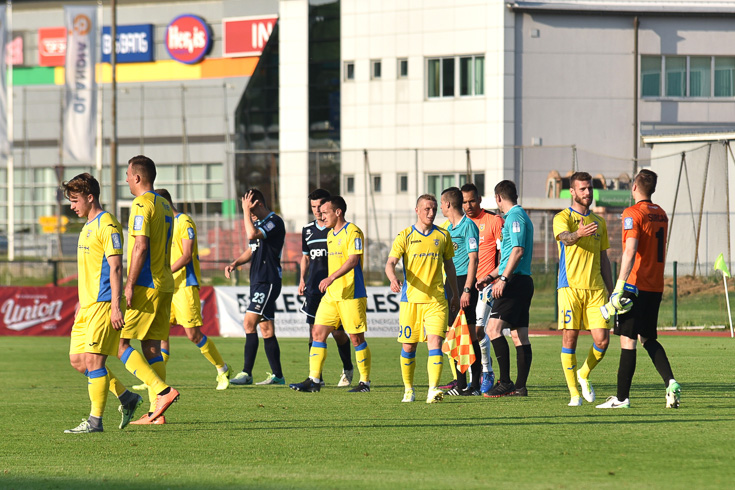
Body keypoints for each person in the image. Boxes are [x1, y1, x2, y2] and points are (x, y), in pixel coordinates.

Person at [62, 173, 144, 433]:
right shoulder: (87, 226)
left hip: (103, 303)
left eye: (75, 200)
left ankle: (95, 421)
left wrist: (116, 306)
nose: (72, 206)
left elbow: (116, 267)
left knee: (95, 362)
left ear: (90, 197)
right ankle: (127, 398)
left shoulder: (107, 225)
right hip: (86, 306)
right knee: (79, 361)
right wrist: (80, 301)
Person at [597, 169, 681, 409]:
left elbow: (630, 250)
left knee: (628, 340)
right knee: (648, 338)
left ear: (634, 187)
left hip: (634, 286)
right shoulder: (661, 213)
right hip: (655, 286)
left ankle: (621, 398)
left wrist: (619, 287)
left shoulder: (632, 213)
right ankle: (671, 382)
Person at [119, 155, 180, 425]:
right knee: (152, 348)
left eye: (128, 175)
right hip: (165, 284)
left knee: (119, 344)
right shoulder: (165, 204)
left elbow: (140, 246)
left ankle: (163, 392)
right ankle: (157, 414)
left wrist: (129, 283)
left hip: (147, 284)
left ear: (137, 177)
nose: (126, 180)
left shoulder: (141, 203)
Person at [290, 196, 372, 393]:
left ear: (338, 212)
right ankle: (314, 380)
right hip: (332, 295)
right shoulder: (330, 235)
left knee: (356, 338)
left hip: (351, 293)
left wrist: (331, 277)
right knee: (317, 333)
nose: (322, 216)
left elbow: (353, 260)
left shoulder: (353, 232)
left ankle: (364, 383)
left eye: (325, 212)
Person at [385, 194, 460, 403]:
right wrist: (393, 278)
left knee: (435, 342)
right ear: (417, 210)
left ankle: (433, 389)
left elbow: (449, 266)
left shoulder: (443, 235)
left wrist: (455, 293)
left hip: (437, 300)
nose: (431, 212)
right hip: (411, 301)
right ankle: (408, 389)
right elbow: (390, 263)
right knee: (409, 347)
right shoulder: (405, 235)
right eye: (427, 208)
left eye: (434, 209)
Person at [155, 188, 231, 391]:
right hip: (167, 286)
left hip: (184, 285)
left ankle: (222, 369)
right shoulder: (164, 225)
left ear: (165, 204)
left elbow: (187, 255)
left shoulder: (184, 221)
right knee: (160, 333)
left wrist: (165, 272)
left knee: (193, 335)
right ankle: (156, 380)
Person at [553, 172, 613, 407]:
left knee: (603, 341)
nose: (587, 193)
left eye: (589, 188)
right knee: (570, 338)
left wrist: (612, 291)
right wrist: (578, 233)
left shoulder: (599, 222)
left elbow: (604, 259)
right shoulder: (563, 217)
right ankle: (574, 394)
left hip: (596, 290)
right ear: (572, 192)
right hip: (570, 287)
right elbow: (565, 238)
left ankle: (584, 373)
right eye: (582, 189)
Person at [477, 180, 534, 398]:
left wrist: (502, 279)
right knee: (519, 336)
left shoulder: (514, 217)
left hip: (514, 282)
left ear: (498, 197)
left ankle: (505, 382)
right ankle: (520, 387)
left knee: (493, 330)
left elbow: (517, 251)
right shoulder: (520, 216)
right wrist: (489, 277)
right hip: (520, 280)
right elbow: (508, 257)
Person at [225, 189, 286, 386]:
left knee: (248, 323)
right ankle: (278, 376)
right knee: (266, 329)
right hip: (258, 280)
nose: (249, 214)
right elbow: (252, 249)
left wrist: (244, 211)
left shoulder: (274, 221)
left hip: (268, 280)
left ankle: (246, 373)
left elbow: (251, 233)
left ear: (258, 204)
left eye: (250, 209)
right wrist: (235, 263)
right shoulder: (259, 224)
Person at [298, 189, 354, 387]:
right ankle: (316, 377)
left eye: (320, 206)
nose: (317, 210)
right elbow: (305, 257)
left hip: (335, 289)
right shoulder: (307, 230)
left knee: (338, 333)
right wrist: (302, 279)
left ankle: (347, 367)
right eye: (313, 207)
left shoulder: (336, 230)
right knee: (314, 332)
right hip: (314, 288)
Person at [438, 187, 481, 396]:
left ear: (447, 204)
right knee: (455, 334)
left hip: (464, 283)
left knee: (469, 335)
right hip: (451, 283)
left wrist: (467, 289)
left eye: (441, 203)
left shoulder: (468, 226)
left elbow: (474, 259)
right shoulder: (447, 229)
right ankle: (461, 384)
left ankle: (474, 385)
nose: (440, 207)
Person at [461, 183, 503, 394]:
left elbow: (504, 253)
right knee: (465, 334)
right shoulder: (461, 224)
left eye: (472, 201)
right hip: (467, 286)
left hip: (487, 285)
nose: (468, 205)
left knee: (478, 331)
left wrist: (497, 279)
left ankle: (487, 372)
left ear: (479, 200)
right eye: (464, 202)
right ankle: (468, 379)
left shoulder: (493, 221)